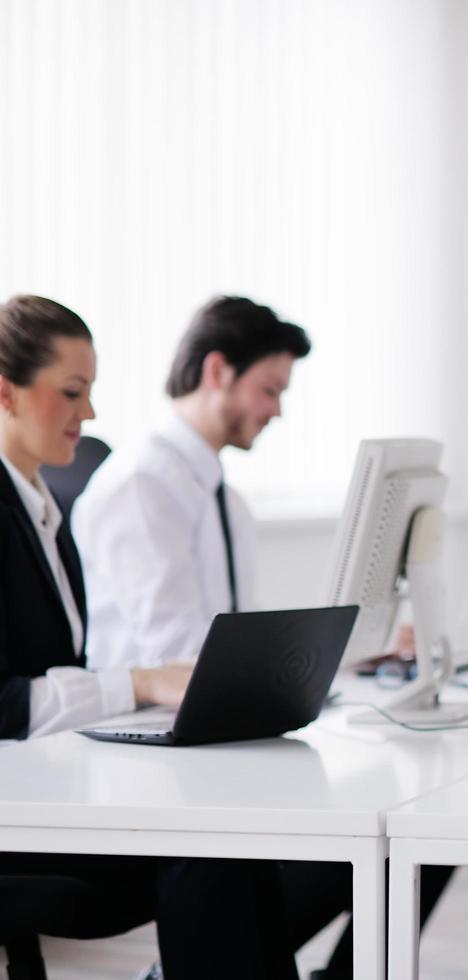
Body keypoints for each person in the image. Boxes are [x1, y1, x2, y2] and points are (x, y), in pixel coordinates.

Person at [0, 294, 300, 978]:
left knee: (233, 838)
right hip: (20, 806)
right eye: (73, 392)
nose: (91, 414)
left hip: (49, 778)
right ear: (6, 394)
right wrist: (138, 682)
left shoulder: (42, 511)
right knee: (212, 844)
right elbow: (3, 705)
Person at [74, 295, 311, 669]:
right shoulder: (142, 485)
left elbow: (242, 631)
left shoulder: (225, 498)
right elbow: (175, 651)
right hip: (147, 716)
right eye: (270, 390)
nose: (276, 412)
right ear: (217, 372)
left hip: (213, 706)